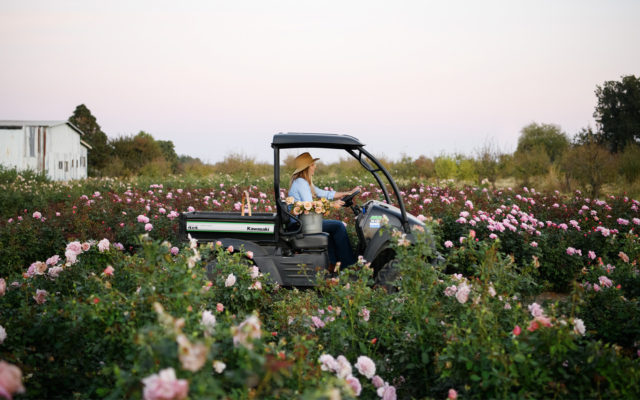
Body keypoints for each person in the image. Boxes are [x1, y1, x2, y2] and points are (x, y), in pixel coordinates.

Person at [288, 152, 359, 268]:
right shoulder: (301, 183)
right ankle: (349, 265)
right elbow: (309, 205)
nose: (315, 167)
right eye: (312, 165)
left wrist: (348, 193)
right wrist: (332, 205)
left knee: (332, 228)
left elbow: (324, 193)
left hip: (304, 221)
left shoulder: (305, 182)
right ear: (306, 168)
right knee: (338, 226)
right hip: (300, 223)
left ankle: (333, 264)